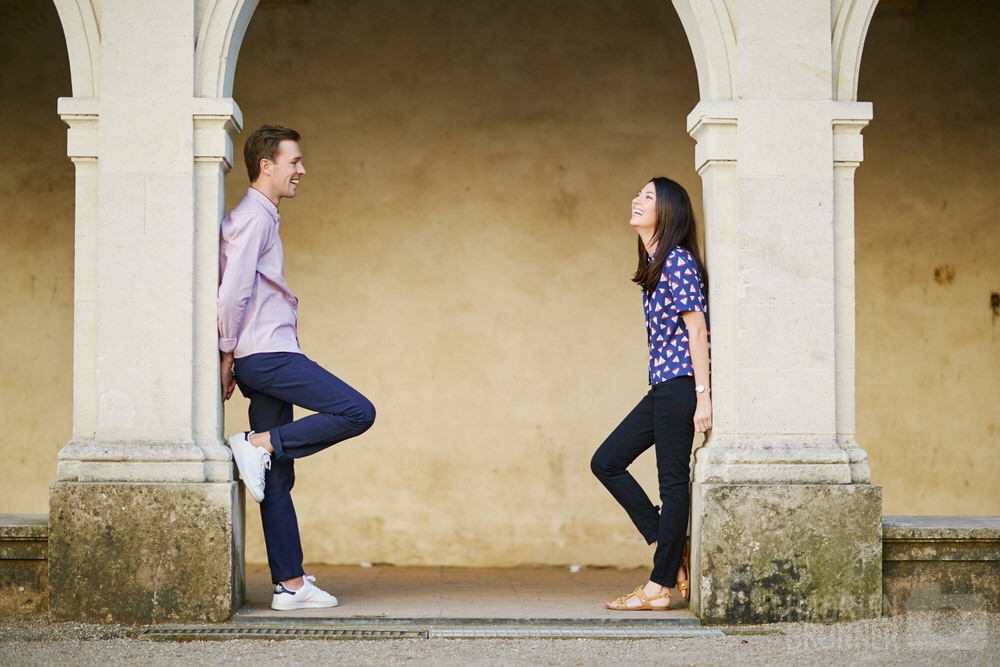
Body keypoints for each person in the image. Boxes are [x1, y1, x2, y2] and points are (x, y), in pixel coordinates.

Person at [218, 125, 376, 611]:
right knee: (358, 411)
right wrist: (227, 353)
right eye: (294, 162)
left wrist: (230, 355)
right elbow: (232, 292)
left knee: (276, 477)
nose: (301, 170)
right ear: (267, 165)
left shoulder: (262, 217)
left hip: (261, 353)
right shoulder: (253, 219)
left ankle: (289, 584)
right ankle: (255, 443)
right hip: (268, 356)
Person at [590, 176, 712, 611]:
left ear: (669, 212)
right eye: (637, 193)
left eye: (648, 197)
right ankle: (667, 543)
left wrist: (704, 395)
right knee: (606, 461)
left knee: (673, 483)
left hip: (680, 385)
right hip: (662, 385)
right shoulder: (657, 263)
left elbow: (697, 328)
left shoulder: (677, 260)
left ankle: (660, 587)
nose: (636, 200)